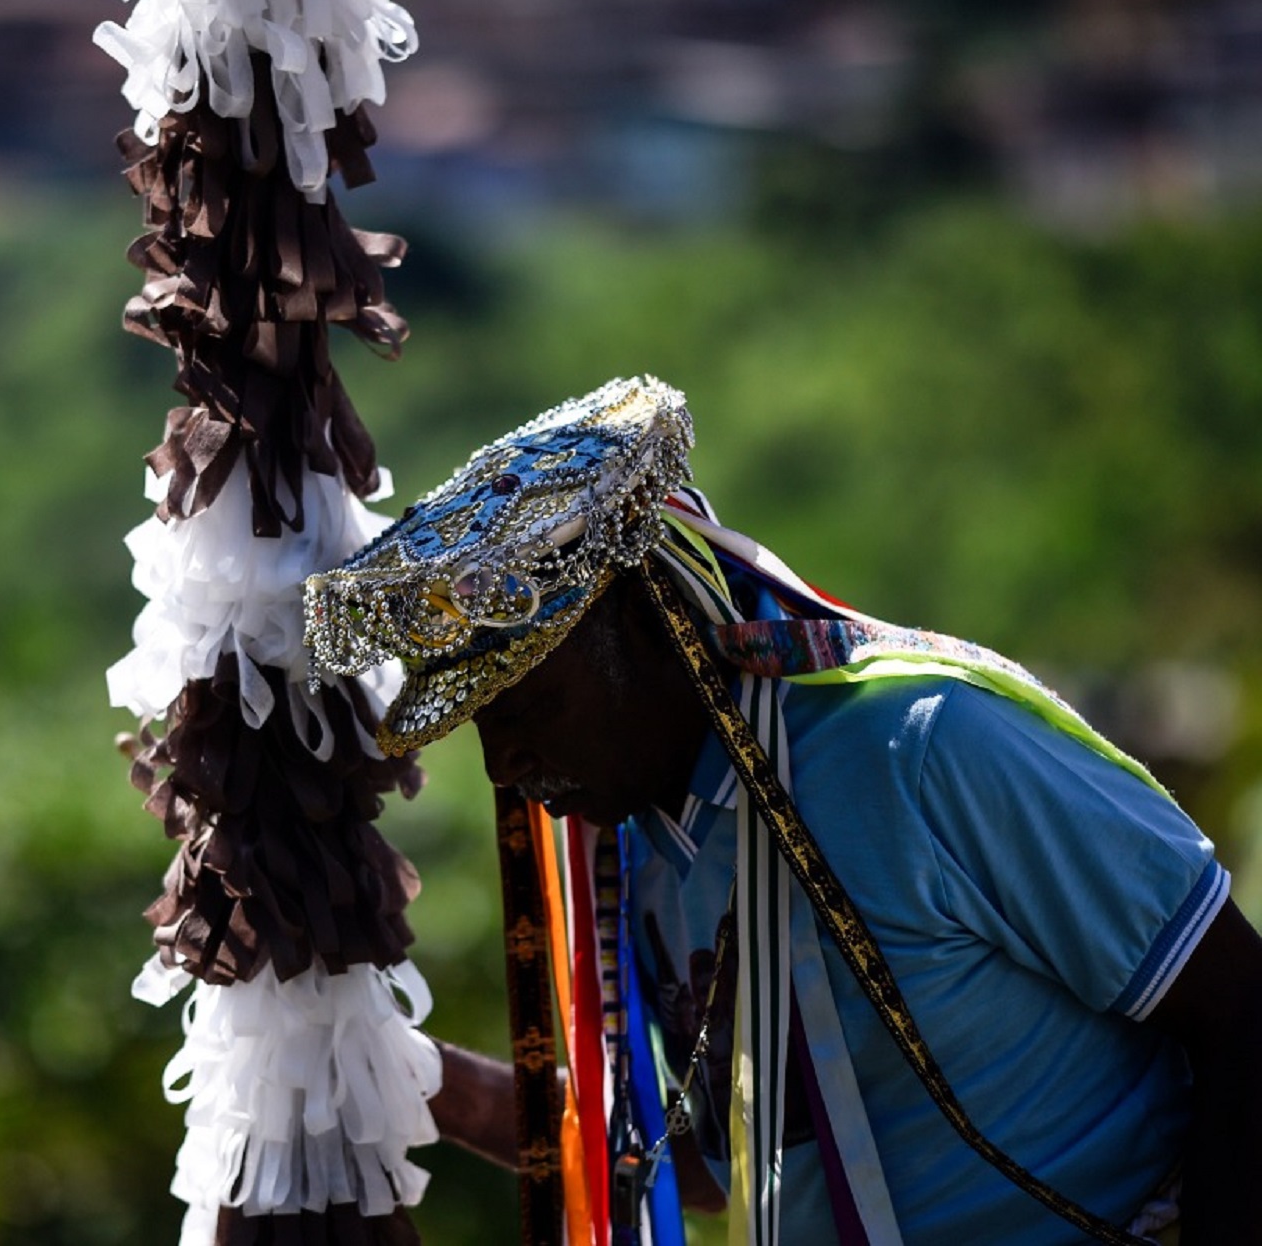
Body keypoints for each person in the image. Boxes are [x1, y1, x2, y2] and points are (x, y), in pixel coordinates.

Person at [301, 376, 1262, 1245]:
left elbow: (1240, 1006)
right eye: (479, 726)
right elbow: (713, 1164)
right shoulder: (643, 858)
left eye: (529, 706)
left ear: (648, 623)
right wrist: (401, 1078)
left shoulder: (924, 748)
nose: (503, 764)